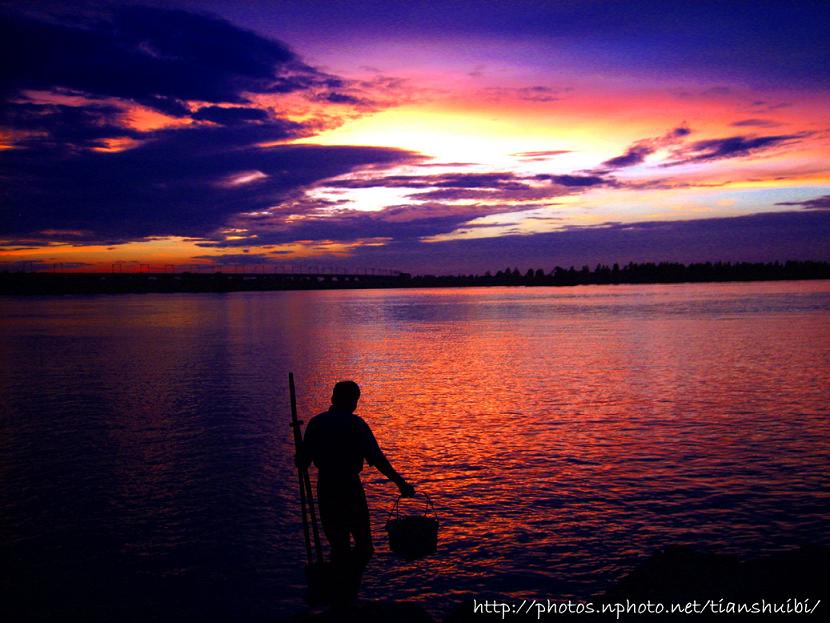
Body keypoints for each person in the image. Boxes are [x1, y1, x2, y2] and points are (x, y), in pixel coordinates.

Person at [298, 380, 415, 602]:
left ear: (333, 399)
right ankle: (347, 595)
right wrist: (401, 483)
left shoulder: (316, 423)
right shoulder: (355, 425)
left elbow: (303, 461)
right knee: (363, 547)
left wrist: (301, 455)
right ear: (351, 401)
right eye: (355, 400)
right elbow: (378, 459)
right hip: (349, 488)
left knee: (339, 544)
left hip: (326, 489)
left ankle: (342, 593)